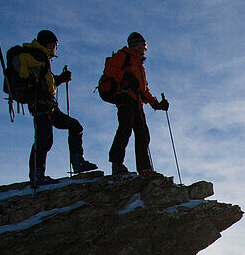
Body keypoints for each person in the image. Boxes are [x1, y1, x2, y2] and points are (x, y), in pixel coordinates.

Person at [11, 30, 98, 187]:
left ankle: (75, 163)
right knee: (44, 139)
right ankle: (39, 174)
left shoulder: (41, 57)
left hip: (47, 104)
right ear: (49, 44)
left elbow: (44, 83)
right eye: (55, 45)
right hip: (40, 104)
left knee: (73, 126)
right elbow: (24, 71)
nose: (55, 48)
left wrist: (59, 79)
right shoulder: (34, 54)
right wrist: (30, 81)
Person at [106, 32, 169, 177]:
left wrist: (156, 104)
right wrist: (126, 77)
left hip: (135, 100)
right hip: (124, 96)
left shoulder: (138, 64)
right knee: (126, 128)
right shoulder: (124, 56)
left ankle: (144, 168)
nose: (145, 49)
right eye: (144, 45)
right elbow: (109, 69)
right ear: (137, 44)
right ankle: (117, 164)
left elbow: (143, 89)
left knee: (142, 133)